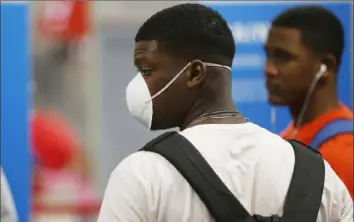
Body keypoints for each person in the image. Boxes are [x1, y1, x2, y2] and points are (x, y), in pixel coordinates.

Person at [98, 3, 352, 222]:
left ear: (195, 73)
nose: (138, 85)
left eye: (147, 71)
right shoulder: (319, 175)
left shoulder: (142, 175)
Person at [264, 6, 353, 197]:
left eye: (283, 57)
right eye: (268, 55)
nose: (269, 69)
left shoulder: (343, 154)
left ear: (326, 66)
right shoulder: (291, 136)